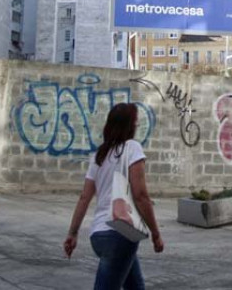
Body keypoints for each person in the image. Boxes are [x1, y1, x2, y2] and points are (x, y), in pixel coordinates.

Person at [64, 103, 164, 290]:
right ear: (129, 126)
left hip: (98, 236)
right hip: (120, 235)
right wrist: (156, 234)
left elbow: (84, 198)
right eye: (135, 123)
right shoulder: (132, 148)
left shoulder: (99, 155)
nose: (137, 126)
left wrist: (73, 233)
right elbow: (141, 195)